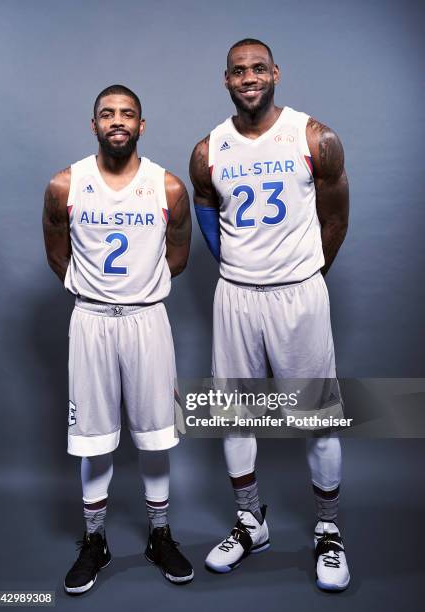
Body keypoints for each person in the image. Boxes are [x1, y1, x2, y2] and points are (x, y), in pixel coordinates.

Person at [189, 39, 350, 591]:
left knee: (318, 418)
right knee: (235, 416)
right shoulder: (208, 148)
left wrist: (305, 276)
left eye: (259, 68)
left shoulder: (314, 136)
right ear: (226, 80)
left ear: (276, 72)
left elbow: (335, 216)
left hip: (298, 294)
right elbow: (206, 208)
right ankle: (251, 521)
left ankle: (328, 531)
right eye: (238, 71)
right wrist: (238, 264)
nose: (249, 77)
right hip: (236, 294)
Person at [43, 84, 193, 593]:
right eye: (107, 114)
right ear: (94, 125)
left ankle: (160, 533)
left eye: (127, 113)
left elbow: (179, 255)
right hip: (90, 322)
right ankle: (94, 539)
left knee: (156, 432)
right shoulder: (66, 184)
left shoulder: (168, 187)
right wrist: (96, 292)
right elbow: (57, 253)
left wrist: (138, 292)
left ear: (142, 125)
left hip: (147, 320)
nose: (117, 121)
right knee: (94, 437)